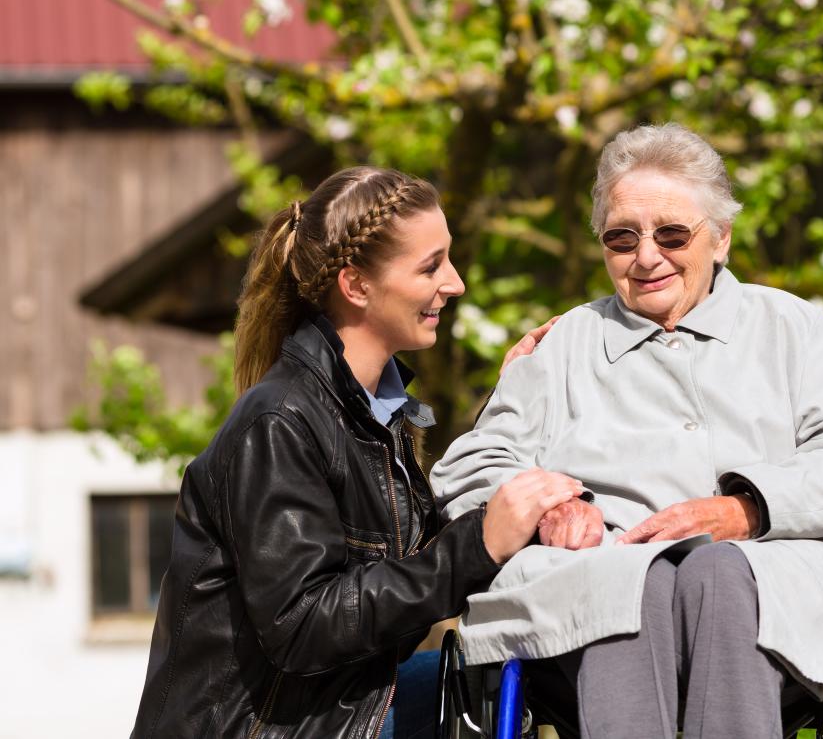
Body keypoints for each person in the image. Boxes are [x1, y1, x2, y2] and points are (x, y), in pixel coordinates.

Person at [432, 124, 823, 737]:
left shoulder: (794, 329)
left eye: (673, 234)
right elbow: (471, 466)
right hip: (590, 605)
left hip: (766, 599)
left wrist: (747, 509)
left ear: (722, 238)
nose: (646, 256)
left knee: (721, 574)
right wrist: (546, 507)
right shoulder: (564, 343)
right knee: (631, 582)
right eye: (621, 238)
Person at [131, 166, 582, 739]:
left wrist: (509, 400)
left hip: (334, 704)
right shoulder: (280, 423)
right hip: (271, 727)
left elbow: (415, 556)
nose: (457, 282)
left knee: (525, 675)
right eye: (431, 266)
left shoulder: (375, 412)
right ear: (356, 286)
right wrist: (481, 543)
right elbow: (303, 625)